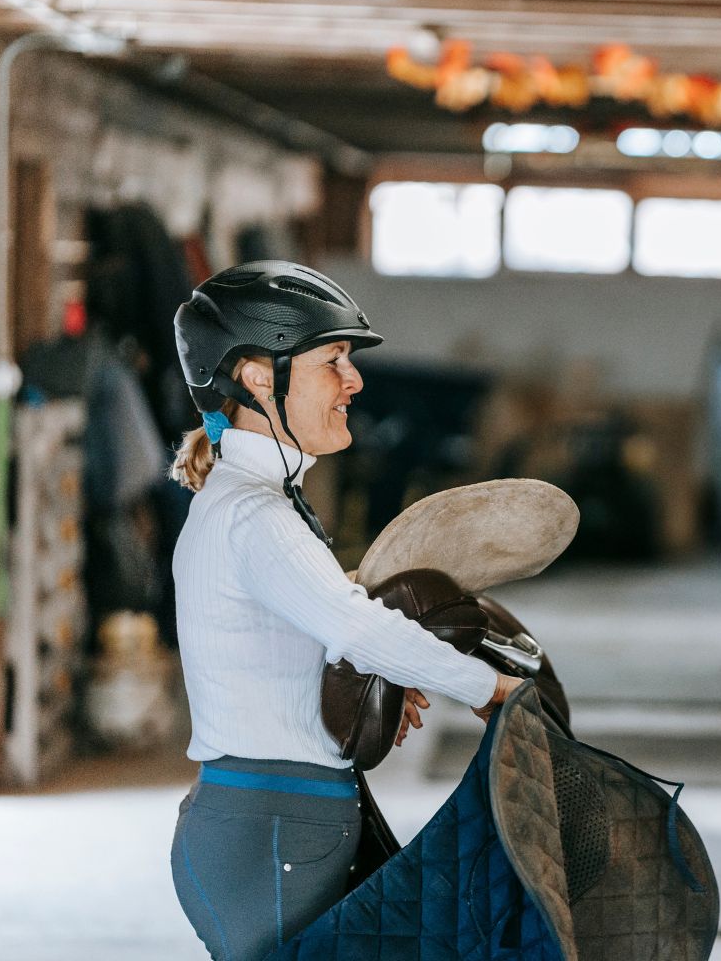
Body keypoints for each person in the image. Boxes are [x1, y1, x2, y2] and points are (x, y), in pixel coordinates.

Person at [166, 260, 522, 961]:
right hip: (274, 828)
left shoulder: (256, 505)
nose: (353, 380)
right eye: (333, 359)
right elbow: (357, 626)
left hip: (277, 823)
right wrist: (494, 692)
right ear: (260, 376)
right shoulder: (256, 515)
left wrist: (383, 680)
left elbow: (308, 641)